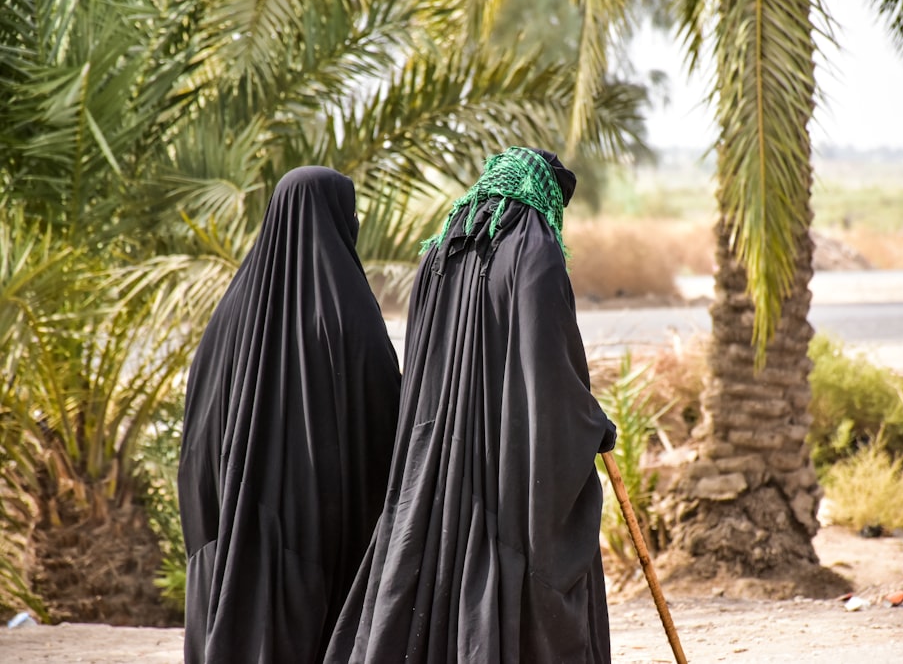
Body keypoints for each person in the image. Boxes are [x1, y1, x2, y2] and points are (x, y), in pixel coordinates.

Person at [326, 147, 616, 663]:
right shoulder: (537, 253)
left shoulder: (440, 253)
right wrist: (593, 425)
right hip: (505, 466)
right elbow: (549, 371)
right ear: (546, 195)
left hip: (437, 463)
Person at [178, 166, 402, 664]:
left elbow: (200, 429)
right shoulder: (349, 314)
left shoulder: (230, 313)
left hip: (230, 526)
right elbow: (386, 418)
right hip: (315, 546)